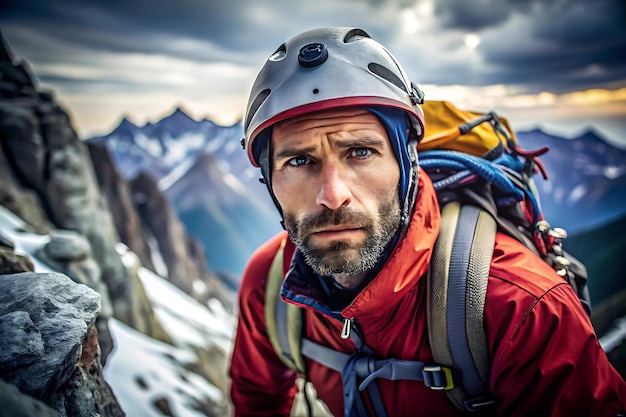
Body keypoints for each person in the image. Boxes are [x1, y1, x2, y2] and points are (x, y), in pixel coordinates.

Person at [228, 27, 626, 417]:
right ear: (269, 179)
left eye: (361, 152)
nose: (332, 195)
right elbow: (256, 401)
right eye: (298, 161)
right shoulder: (270, 284)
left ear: (407, 164)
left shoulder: (521, 308)